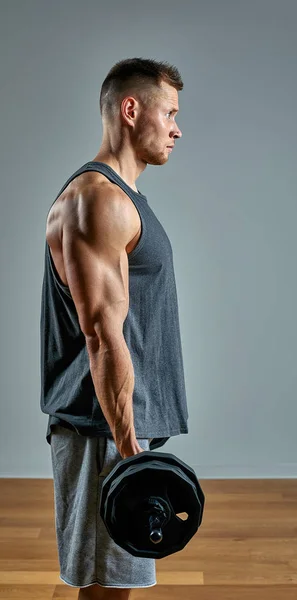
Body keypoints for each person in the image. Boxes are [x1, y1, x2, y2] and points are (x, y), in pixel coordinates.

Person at [40, 57, 189, 599]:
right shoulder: (97, 201)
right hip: (103, 431)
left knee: (111, 588)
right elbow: (103, 336)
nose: (177, 127)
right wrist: (132, 456)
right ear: (131, 110)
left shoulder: (120, 200)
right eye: (168, 112)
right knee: (106, 590)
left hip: (117, 427)